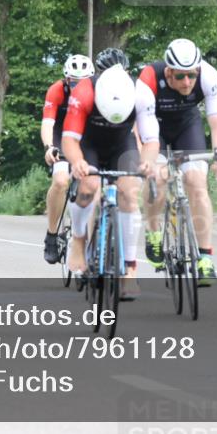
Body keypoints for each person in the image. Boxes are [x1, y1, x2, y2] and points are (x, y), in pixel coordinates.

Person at [61, 48, 159, 300]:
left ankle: (129, 269)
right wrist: (78, 161)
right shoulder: (83, 91)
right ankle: (79, 241)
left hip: (121, 144)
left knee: (129, 192)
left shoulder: (141, 92)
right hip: (90, 143)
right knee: (88, 186)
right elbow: (69, 139)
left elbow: (150, 140)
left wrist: (147, 162)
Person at [139, 38, 217, 286]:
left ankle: (205, 257)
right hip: (153, 128)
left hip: (186, 126)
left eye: (191, 75)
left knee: (196, 183)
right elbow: (141, 127)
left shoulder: (208, 76)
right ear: (168, 71)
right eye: (180, 77)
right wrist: (149, 163)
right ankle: (154, 233)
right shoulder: (148, 79)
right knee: (156, 179)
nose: (187, 82)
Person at [40, 54, 94, 264]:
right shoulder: (57, 90)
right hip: (61, 136)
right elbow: (48, 123)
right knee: (61, 181)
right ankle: (52, 235)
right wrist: (49, 147)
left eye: (82, 82)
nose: (77, 86)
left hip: (85, 137)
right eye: (73, 82)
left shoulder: (97, 92)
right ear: (66, 80)